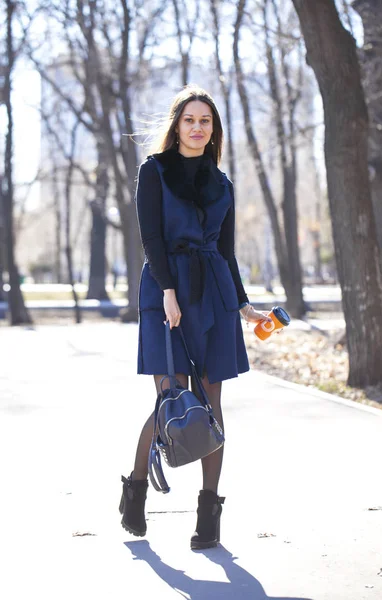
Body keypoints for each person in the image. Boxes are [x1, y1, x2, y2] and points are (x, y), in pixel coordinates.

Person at [119, 84, 272, 550]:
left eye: (205, 121)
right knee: (171, 401)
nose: (197, 127)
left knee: (211, 405)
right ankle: (136, 491)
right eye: (190, 119)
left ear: (213, 130)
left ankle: (209, 516)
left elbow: (225, 252)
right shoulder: (154, 171)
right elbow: (151, 238)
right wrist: (168, 291)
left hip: (214, 296)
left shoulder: (221, 182)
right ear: (176, 124)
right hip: (167, 291)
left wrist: (243, 303)